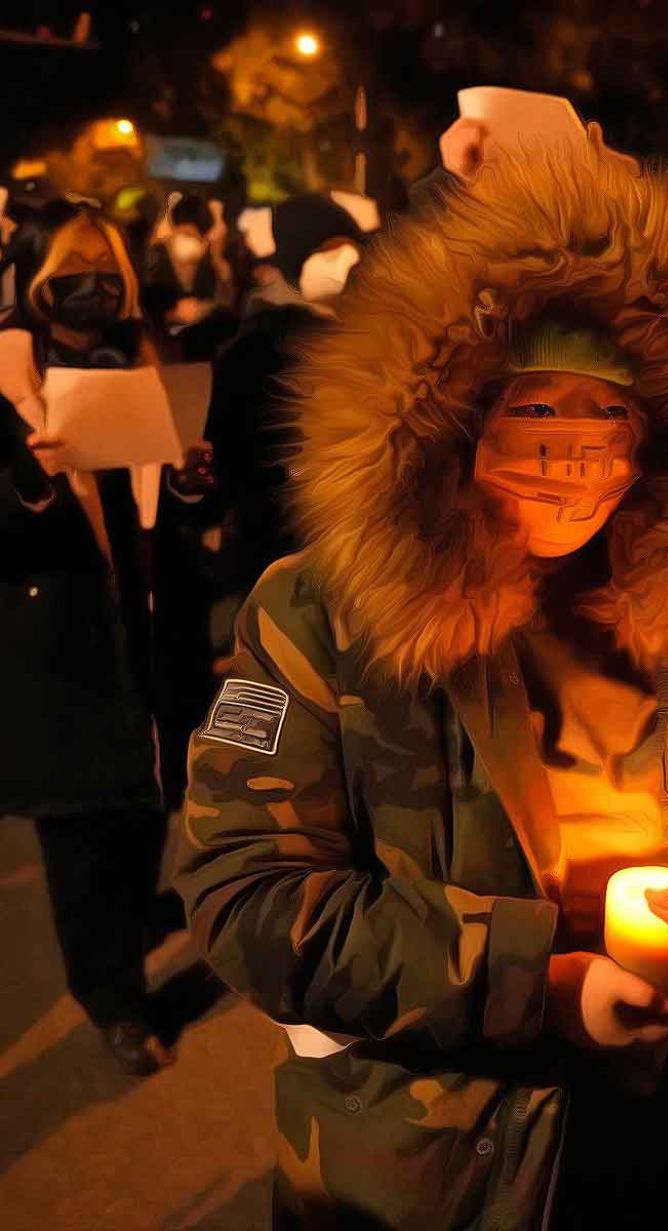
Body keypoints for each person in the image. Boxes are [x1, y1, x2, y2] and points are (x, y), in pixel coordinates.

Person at [177, 138, 668, 1230]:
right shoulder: (327, 615)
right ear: (449, 417)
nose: (573, 454)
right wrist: (540, 983)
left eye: (606, 418)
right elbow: (249, 896)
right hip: (445, 1159)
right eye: (534, 413)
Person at [0, 199, 198, 1076]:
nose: (89, 288)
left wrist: (196, 476)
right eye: (68, 272)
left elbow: (193, 522)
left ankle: (133, 919)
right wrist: (27, 485)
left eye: (103, 272)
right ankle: (113, 998)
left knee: (147, 805)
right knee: (81, 839)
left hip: (154, 639)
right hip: (60, 656)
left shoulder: (155, 367)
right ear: (32, 280)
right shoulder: (7, 392)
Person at [204, 193, 364, 596]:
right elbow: (234, 452)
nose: (346, 259)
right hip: (285, 545)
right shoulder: (256, 348)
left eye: (352, 246)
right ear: (295, 263)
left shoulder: (371, 332)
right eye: (327, 251)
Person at [141, 192, 236, 359]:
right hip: (163, 352)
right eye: (183, 234)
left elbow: (226, 307)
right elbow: (144, 307)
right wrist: (170, 314)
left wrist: (218, 259)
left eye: (193, 237)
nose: (186, 241)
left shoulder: (210, 264)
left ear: (204, 238)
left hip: (200, 353)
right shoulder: (157, 258)